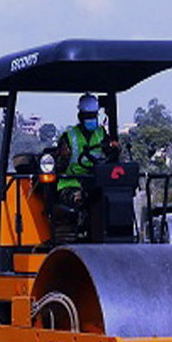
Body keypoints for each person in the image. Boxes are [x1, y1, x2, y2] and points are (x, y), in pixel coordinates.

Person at [52, 93, 119, 238]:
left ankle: (113, 233)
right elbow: (59, 166)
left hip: (96, 182)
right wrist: (64, 156)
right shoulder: (69, 137)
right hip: (71, 184)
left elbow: (111, 155)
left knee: (112, 197)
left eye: (93, 115)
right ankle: (79, 233)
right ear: (80, 116)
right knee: (81, 198)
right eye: (88, 116)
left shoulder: (101, 134)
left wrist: (114, 149)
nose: (91, 119)